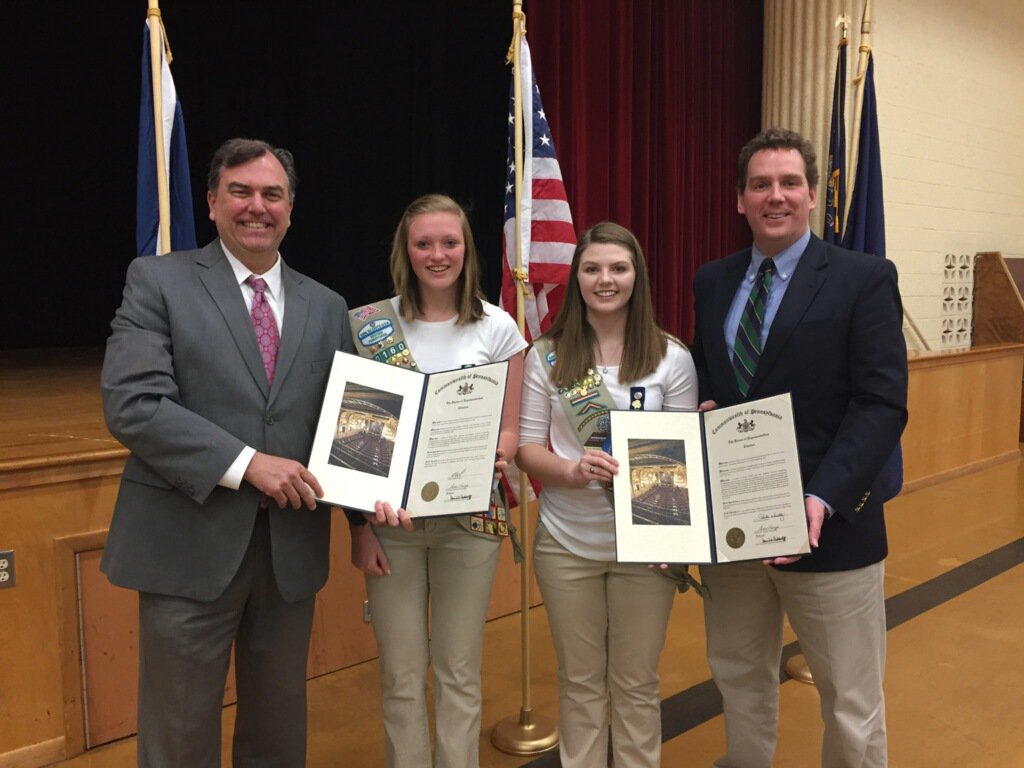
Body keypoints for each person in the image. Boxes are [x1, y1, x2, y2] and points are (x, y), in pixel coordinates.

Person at [101, 138, 352, 768]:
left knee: (277, 730)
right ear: (212, 203)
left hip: (290, 551)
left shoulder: (327, 306)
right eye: (240, 192)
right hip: (188, 544)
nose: (256, 207)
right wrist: (247, 464)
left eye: (272, 194)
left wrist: (369, 517)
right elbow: (134, 403)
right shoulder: (157, 280)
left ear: (291, 208)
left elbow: (344, 428)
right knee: (179, 732)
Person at [691, 127, 908, 768]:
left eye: (789, 183)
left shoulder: (862, 278)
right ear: (740, 200)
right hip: (734, 528)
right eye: (761, 184)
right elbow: (714, 377)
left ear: (813, 195)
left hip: (830, 528)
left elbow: (881, 402)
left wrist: (823, 497)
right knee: (738, 674)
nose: (775, 196)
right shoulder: (712, 280)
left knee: (850, 699)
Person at [347, 193, 527, 768]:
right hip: (391, 525)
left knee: (458, 670)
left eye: (449, 242)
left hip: (469, 524)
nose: (437, 254)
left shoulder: (498, 328)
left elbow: (509, 432)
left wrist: (498, 456)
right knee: (401, 675)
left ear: (466, 249)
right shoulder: (374, 326)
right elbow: (358, 441)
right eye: (423, 242)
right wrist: (359, 528)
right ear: (406, 250)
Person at [517, 221, 698, 767]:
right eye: (592, 268)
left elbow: (684, 459)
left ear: (636, 276)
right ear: (576, 278)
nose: (605, 279)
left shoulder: (671, 357)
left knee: (637, 683)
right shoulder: (547, 355)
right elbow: (527, 448)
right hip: (567, 545)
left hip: (645, 553)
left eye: (618, 268)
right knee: (579, 681)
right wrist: (571, 471)